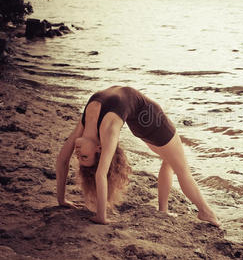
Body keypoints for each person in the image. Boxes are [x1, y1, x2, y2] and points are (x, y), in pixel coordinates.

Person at [55, 85, 220, 226]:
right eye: (84, 157)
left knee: (169, 161)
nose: (77, 154)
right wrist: (101, 216)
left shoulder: (84, 126)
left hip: (139, 120)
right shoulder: (108, 129)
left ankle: (163, 210)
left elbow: (62, 160)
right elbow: (101, 173)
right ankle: (205, 211)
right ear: (99, 148)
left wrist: (61, 200)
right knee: (183, 169)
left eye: (81, 158)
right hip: (150, 120)